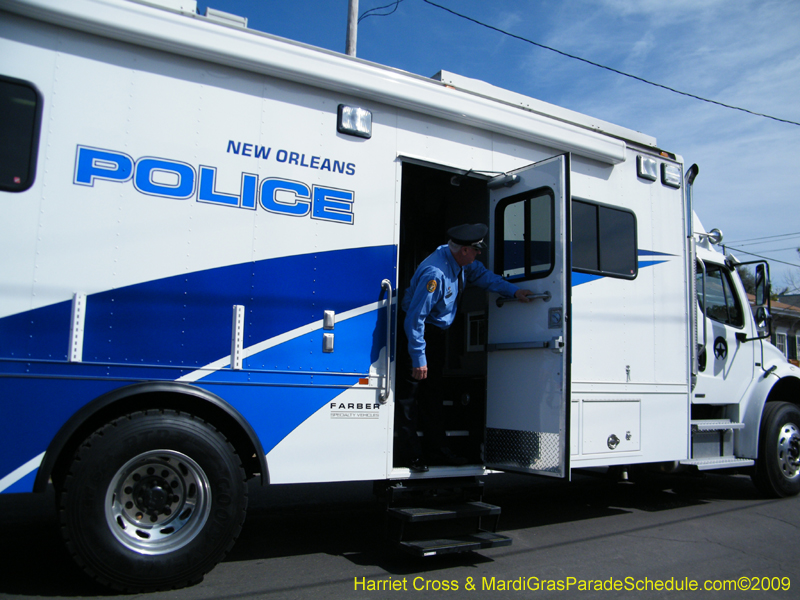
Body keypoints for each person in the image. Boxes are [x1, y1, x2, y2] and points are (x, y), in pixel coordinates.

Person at [398, 223, 534, 472]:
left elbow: (485, 277)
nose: (478, 254)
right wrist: (418, 357)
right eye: (476, 250)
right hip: (418, 333)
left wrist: (514, 292)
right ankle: (410, 455)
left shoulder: (461, 261)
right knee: (410, 396)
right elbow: (414, 318)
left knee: (433, 394)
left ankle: (437, 451)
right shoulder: (434, 273)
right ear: (463, 251)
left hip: (436, 334)